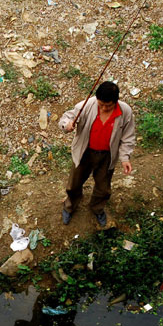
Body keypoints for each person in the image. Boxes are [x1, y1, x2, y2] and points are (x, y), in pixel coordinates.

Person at [58, 80, 136, 227]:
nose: (104, 108)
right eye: (101, 105)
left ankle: (97, 208)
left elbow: (128, 137)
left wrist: (125, 158)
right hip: (84, 152)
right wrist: (67, 125)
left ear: (116, 101)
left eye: (109, 106)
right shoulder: (86, 105)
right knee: (74, 184)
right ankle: (69, 207)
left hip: (107, 156)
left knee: (103, 188)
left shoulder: (125, 112)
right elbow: (66, 118)